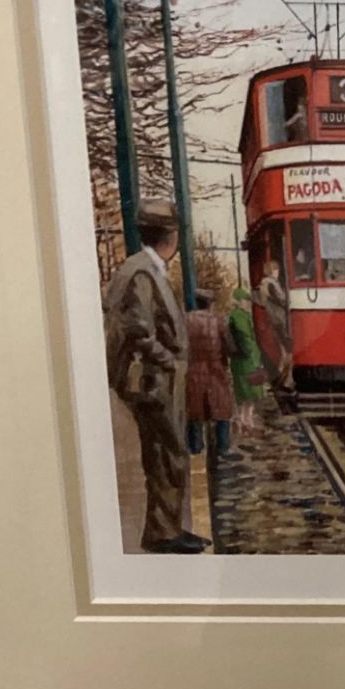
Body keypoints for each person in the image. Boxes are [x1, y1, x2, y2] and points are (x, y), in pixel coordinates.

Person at [102, 199, 206, 554]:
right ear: (171, 236)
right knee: (167, 451)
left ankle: (168, 527)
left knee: (167, 453)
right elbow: (138, 332)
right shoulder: (143, 272)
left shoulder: (144, 268)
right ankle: (163, 533)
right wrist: (170, 360)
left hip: (157, 378)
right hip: (154, 380)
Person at [185, 286, 237, 456]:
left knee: (195, 410)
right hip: (216, 368)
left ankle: (196, 446)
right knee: (222, 408)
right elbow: (230, 346)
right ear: (210, 304)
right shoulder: (219, 321)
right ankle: (223, 447)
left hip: (194, 368)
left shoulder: (187, 320)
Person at [226, 286, 265, 433]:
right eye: (244, 300)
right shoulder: (239, 316)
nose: (247, 303)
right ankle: (245, 421)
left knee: (244, 391)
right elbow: (245, 338)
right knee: (249, 391)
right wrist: (253, 354)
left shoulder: (238, 315)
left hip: (242, 360)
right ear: (239, 301)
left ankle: (244, 420)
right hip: (246, 360)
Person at [258, 255, 292, 390]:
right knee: (288, 351)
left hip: (272, 319)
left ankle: (281, 379)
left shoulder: (263, 284)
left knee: (284, 351)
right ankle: (283, 379)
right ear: (272, 271)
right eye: (276, 270)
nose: (278, 272)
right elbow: (282, 300)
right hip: (279, 319)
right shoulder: (271, 284)